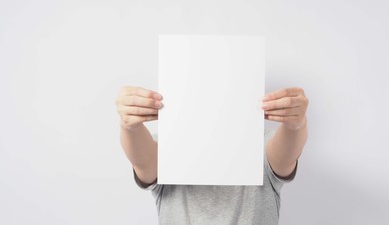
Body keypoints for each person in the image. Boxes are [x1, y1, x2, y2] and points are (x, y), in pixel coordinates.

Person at [115, 86, 309, 225]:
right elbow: (143, 160)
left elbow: (287, 153)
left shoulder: (263, 145)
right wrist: (129, 125)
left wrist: (296, 124)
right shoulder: (166, 147)